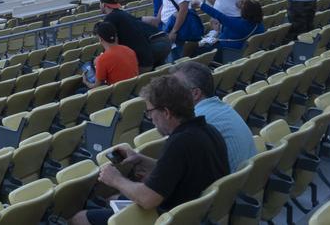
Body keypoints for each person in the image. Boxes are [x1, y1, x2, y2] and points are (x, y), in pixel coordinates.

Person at [70, 76, 229, 225]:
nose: (149, 118)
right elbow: (180, 170)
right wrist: (140, 159)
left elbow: (147, 199)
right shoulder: (209, 131)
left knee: (79, 218)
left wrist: (115, 179)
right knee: (112, 199)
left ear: (166, 112)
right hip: (192, 213)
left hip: (169, 217)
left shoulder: (179, 143)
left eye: (150, 112)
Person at [171, 61, 256, 171]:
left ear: (195, 93)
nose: (169, 93)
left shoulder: (196, 121)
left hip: (229, 186)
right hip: (243, 182)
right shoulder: (224, 108)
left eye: (174, 89)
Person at [99, 0, 161, 70]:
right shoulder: (125, 14)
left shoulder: (109, 20)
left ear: (103, 5)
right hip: (148, 59)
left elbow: (112, 47)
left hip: (138, 64)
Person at [193, 0, 264, 51]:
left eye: (243, 8)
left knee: (195, 50)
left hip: (227, 51)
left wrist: (200, 4)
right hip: (240, 47)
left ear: (246, 12)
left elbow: (218, 15)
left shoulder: (239, 24)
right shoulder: (259, 24)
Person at [83, 22, 138, 89]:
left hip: (116, 94)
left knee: (79, 91)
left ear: (100, 39)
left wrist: (85, 82)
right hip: (132, 90)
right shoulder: (130, 50)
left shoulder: (102, 59)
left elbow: (96, 87)